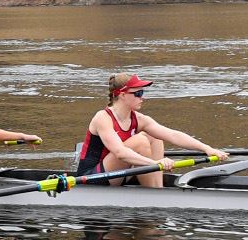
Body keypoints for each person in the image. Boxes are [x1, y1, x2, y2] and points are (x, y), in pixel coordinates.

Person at [76, 74, 227, 186]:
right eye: (138, 93)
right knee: (140, 141)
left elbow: (173, 135)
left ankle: (156, 188)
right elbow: (120, 153)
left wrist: (207, 149)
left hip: (118, 174)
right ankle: (153, 194)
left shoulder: (139, 119)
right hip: (91, 178)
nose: (143, 97)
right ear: (122, 95)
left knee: (154, 137)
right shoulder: (103, 118)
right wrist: (155, 163)